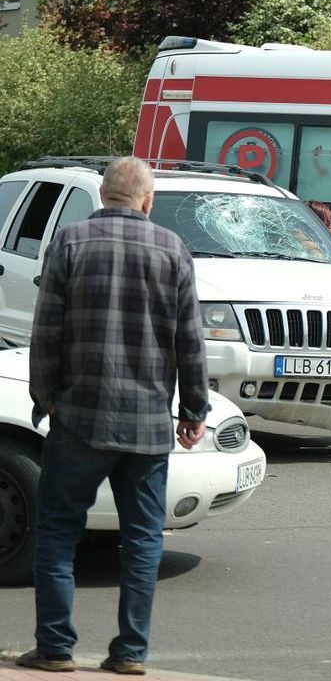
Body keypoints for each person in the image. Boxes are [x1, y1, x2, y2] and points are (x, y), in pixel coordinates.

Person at [20, 156, 209, 675]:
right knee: (144, 538)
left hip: (80, 416)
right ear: (148, 201)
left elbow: (46, 331)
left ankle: (55, 648)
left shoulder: (70, 241)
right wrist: (194, 409)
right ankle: (129, 652)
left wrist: (47, 396)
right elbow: (189, 341)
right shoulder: (174, 250)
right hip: (147, 424)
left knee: (59, 531)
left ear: (103, 195)